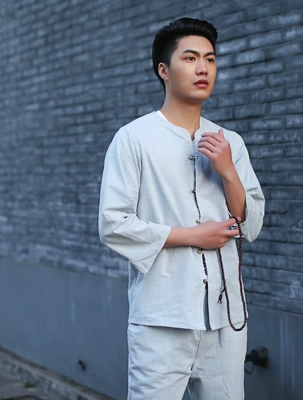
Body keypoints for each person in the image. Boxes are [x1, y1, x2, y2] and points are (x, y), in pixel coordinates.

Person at [98, 17, 265, 400]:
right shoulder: (134, 139)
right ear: (164, 70)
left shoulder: (230, 142)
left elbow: (250, 224)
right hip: (162, 318)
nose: (203, 68)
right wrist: (192, 236)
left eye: (210, 59)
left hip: (226, 318)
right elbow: (113, 224)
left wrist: (228, 172)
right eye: (190, 58)